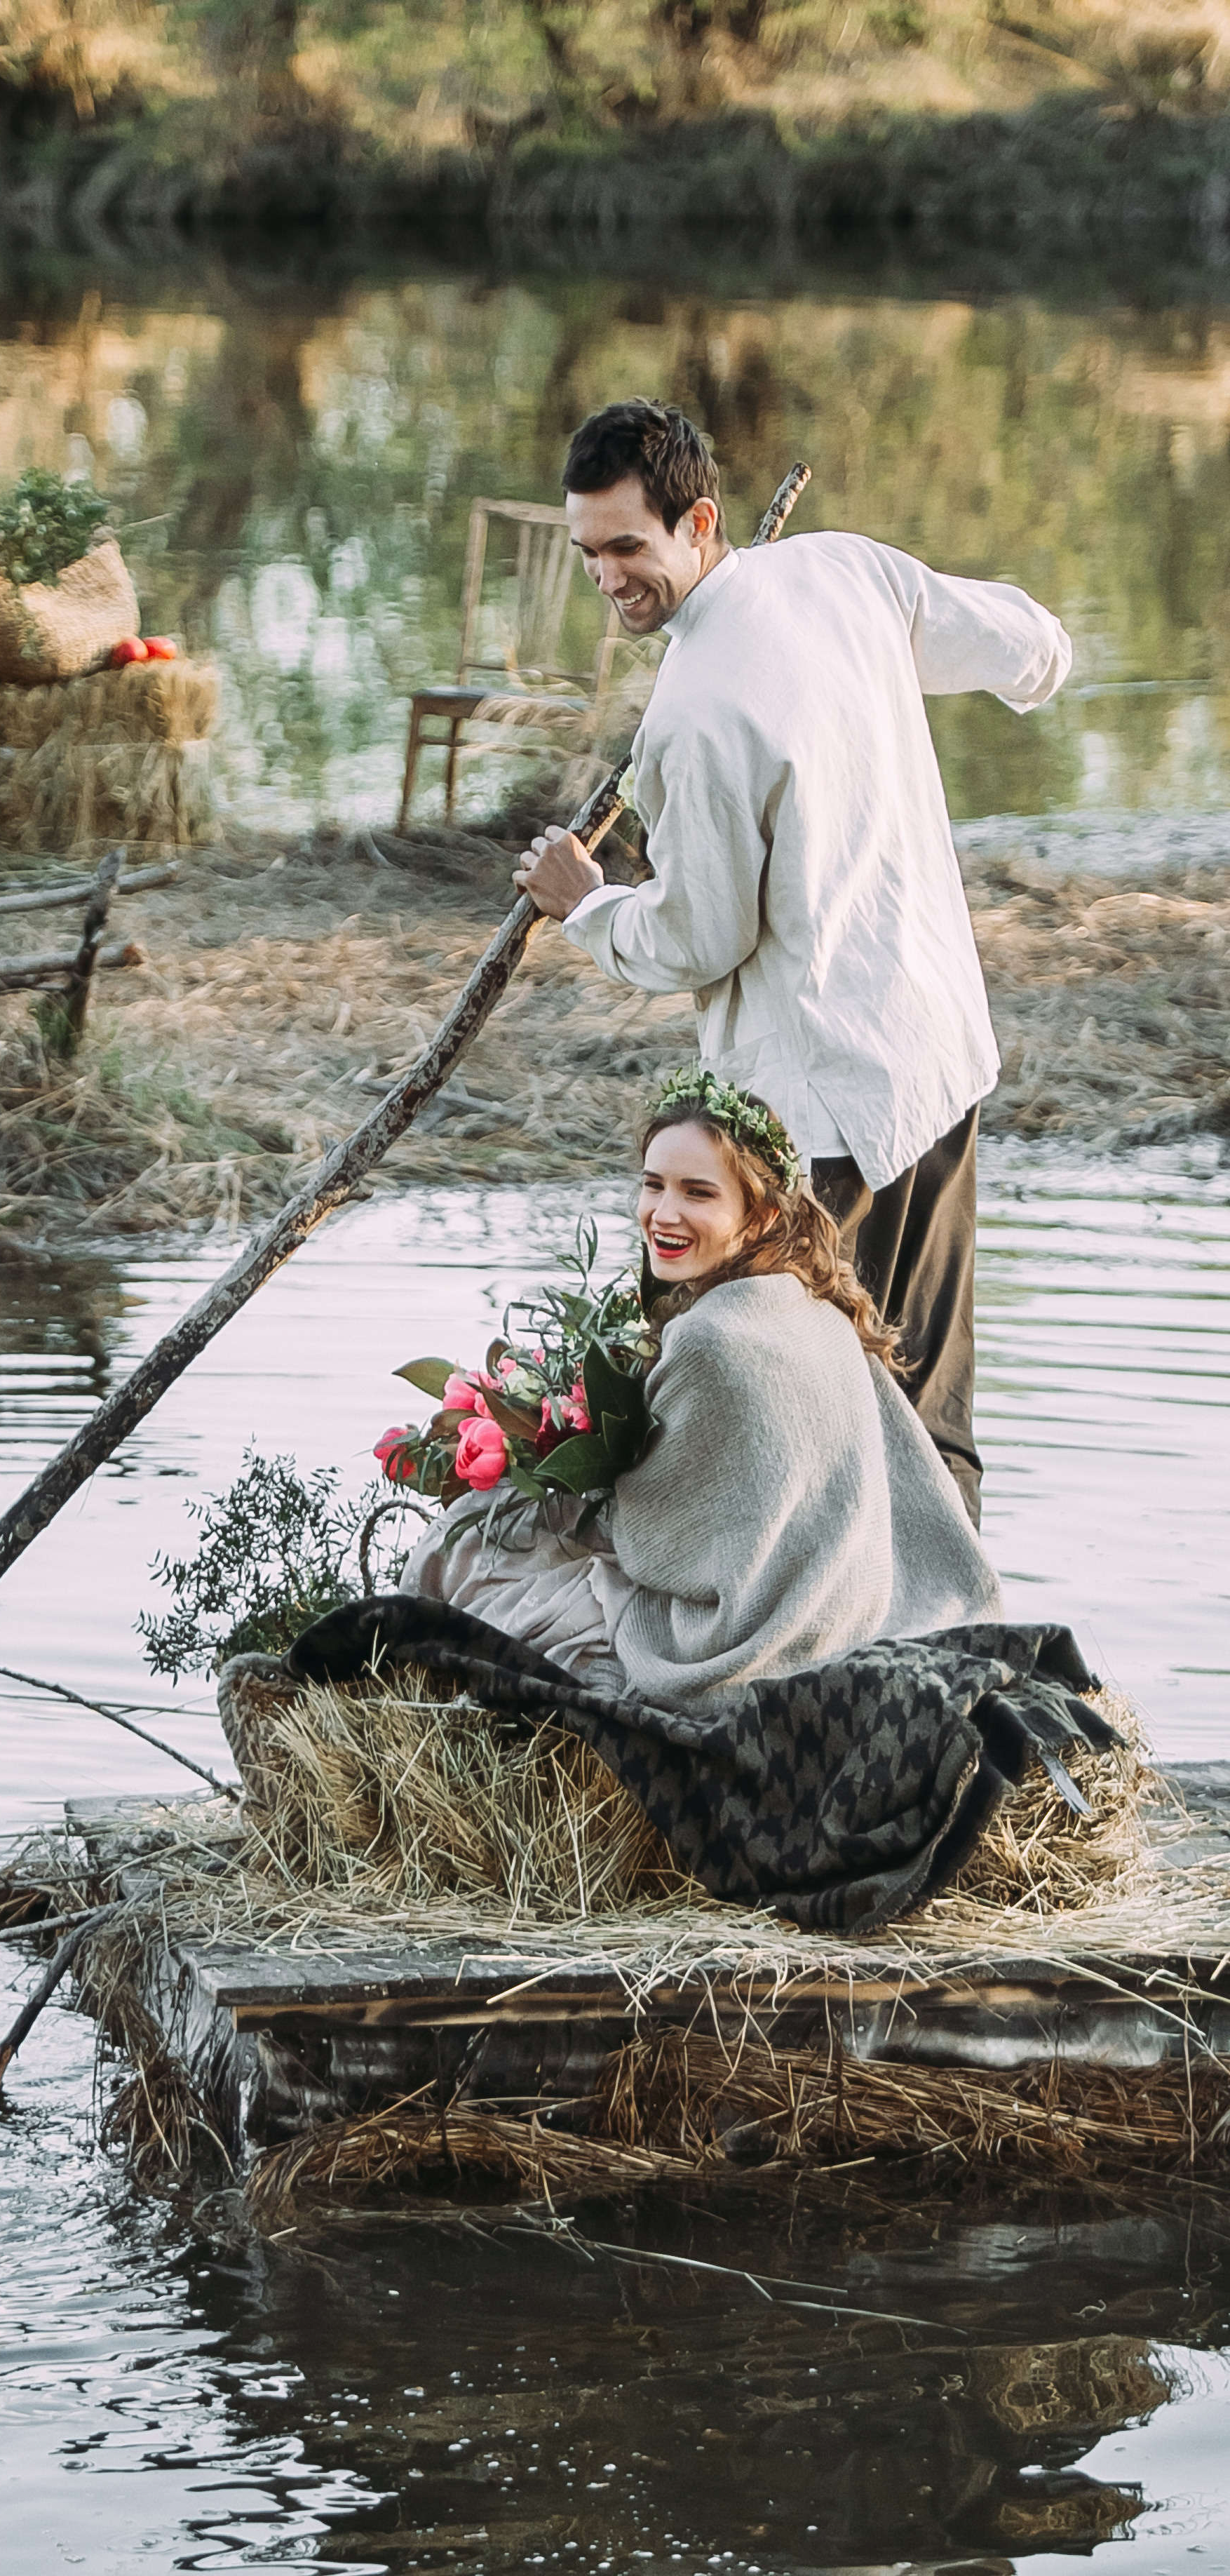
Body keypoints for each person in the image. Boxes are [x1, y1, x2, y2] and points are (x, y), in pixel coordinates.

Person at [513, 400, 1074, 1527]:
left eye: (629, 547)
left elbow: (698, 938)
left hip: (817, 1121)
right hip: (934, 1058)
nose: (608, 578)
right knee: (926, 1412)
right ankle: (959, 1651)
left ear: (700, 520)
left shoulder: (694, 711)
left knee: (796, 1434)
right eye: (589, 553)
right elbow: (1035, 648)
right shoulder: (845, 574)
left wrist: (588, 906)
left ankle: (801, 1668)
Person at [399, 1069, 1002, 1715]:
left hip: (742, 1653)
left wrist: (563, 1490)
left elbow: (653, 1545)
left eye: (698, 1193)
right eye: (653, 1185)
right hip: (843, 1620)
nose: (664, 1214)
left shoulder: (709, 1336)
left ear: (761, 1212)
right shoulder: (817, 1309)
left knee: (462, 1551)